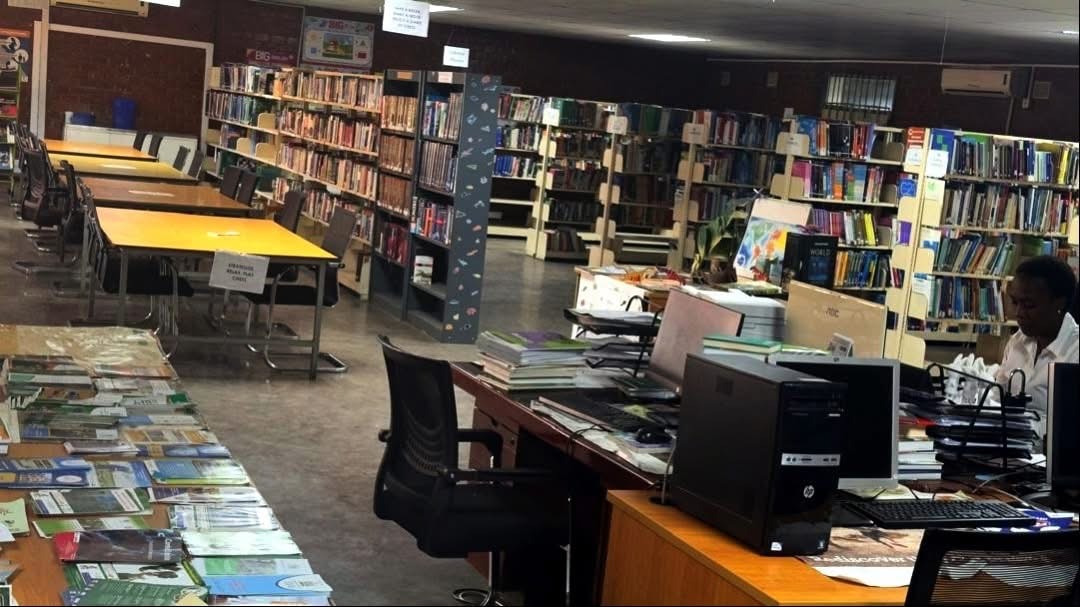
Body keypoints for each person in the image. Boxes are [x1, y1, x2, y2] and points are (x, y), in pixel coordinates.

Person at [995, 255, 1079, 440]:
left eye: (1029, 305)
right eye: (1015, 302)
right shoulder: (1018, 341)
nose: (1018, 313)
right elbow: (996, 397)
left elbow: (1070, 428)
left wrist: (1023, 426)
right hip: (1009, 444)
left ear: (1059, 303)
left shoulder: (1075, 352)